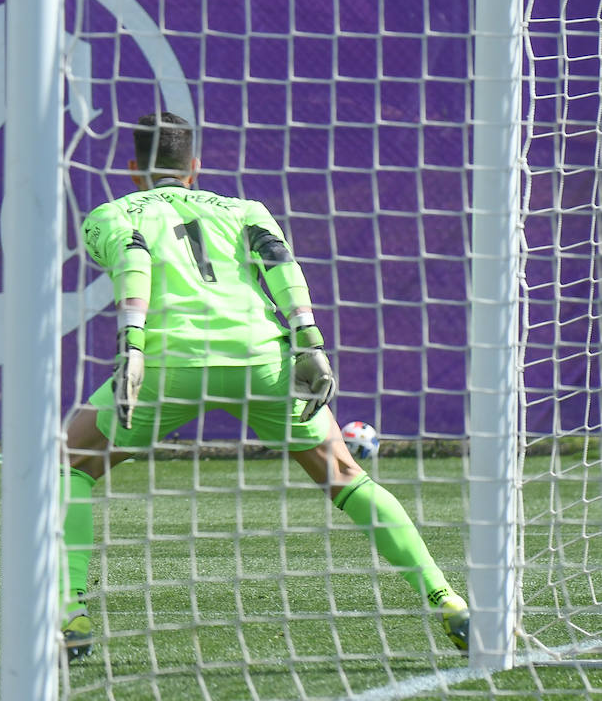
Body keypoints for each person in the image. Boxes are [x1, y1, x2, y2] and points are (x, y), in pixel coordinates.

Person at [59, 112, 470, 660]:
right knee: (345, 475)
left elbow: (135, 260)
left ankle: (73, 613)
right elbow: (280, 264)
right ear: (194, 167)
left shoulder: (110, 214)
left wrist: (132, 345)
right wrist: (312, 342)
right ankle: (447, 600)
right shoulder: (243, 209)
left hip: (168, 360)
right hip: (261, 357)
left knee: (71, 465)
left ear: (134, 169)